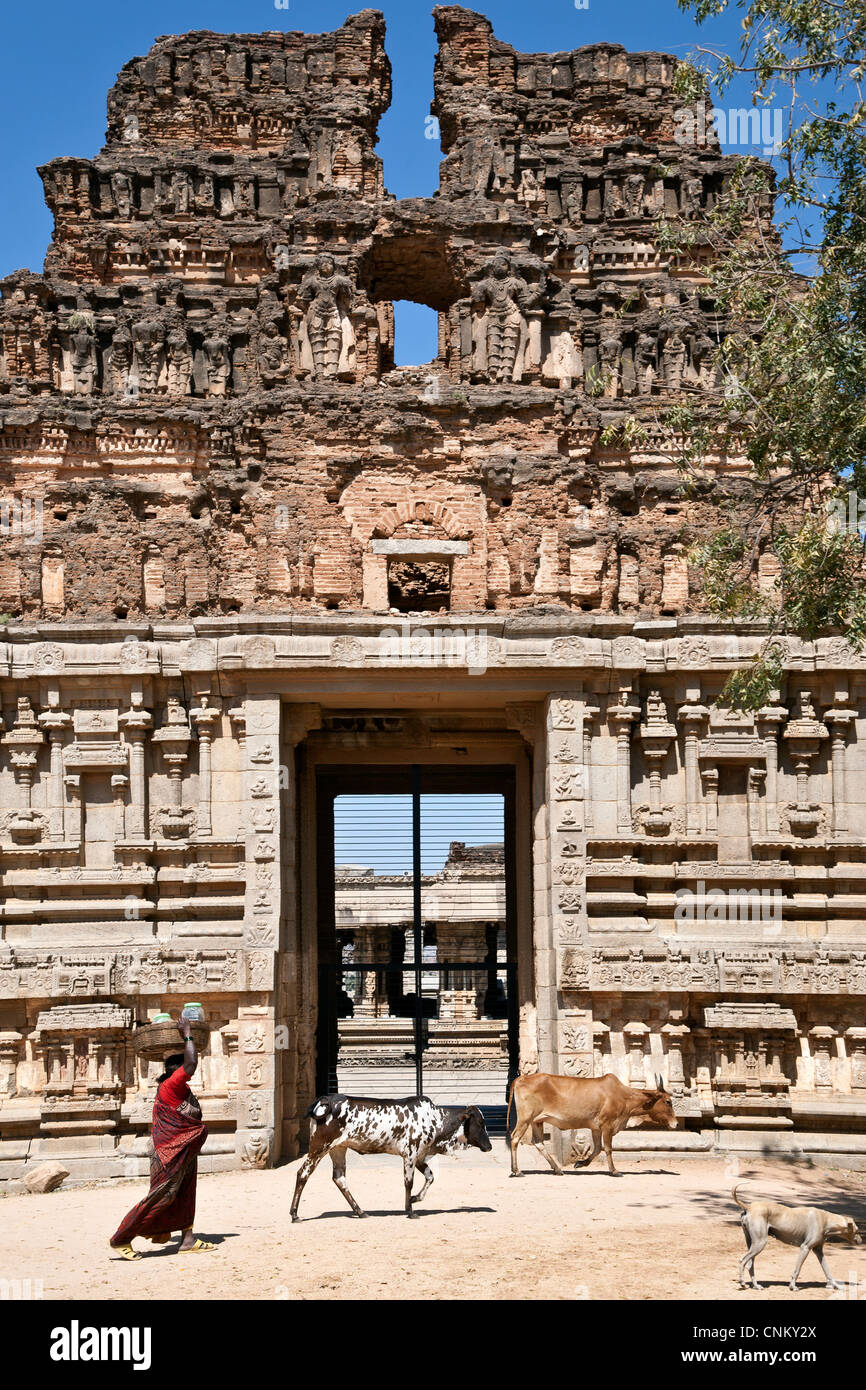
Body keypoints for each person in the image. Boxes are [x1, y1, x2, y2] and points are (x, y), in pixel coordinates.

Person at [109, 1018, 214, 1259]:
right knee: (162, 1195)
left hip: (183, 1148)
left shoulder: (181, 1089)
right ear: (176, 1069)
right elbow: (191, 1063)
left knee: (186, 1191)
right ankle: (121, 1238)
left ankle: (187, 1240)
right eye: (184, 1068)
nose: (189, 1072)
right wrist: (187, 1034)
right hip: (169, 1151)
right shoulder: (172, 1085)